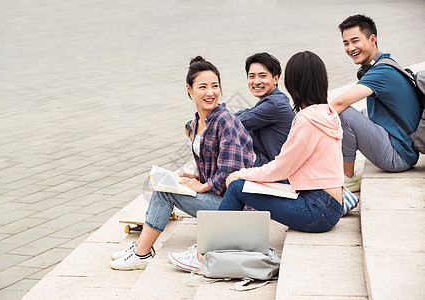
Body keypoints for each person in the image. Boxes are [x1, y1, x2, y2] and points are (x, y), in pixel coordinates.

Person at [168, 51, 346, 272]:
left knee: (237, 187)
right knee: (242, 185)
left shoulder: (306, 120)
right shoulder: (325, 113)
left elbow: (281, 168)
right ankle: (218, 243)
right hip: (326, 203)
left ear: (291, 82)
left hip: (317, 209)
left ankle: (202, 253)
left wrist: (242, 174)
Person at [109, 56, 254, 271]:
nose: (210, 92)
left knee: (164, 192)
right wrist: (196, 176)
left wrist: (204, 186)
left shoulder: (225, 120)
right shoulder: (198, 121)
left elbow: (231, 171)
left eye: (215, 86)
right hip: (219, 199)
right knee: (163, 185)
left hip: (234, 207)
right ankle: (141, 247)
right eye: (202, 87)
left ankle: (142, 252)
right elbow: (213, 161)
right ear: (190, 89)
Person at [331, 14, 421, 192]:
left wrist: (305, 123)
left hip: (399, 156)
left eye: (355, 41)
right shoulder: (385, 63)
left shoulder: (380, 72)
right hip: (405, 148)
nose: (350, 48)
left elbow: (338, 103)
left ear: (372, 39)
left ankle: (348, 180)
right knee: (364, 111)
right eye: (346, 43)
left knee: (344, 114)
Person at [186, 52, 295, 167]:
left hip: (280, 177)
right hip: (271, 169)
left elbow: (228, 123)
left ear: (275, 79)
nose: (256, 81)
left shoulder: (274, 105)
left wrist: (197, 125)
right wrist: (195, 123)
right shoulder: (269, 103)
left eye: (262, 76)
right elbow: (239, 115)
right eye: (252, 76)